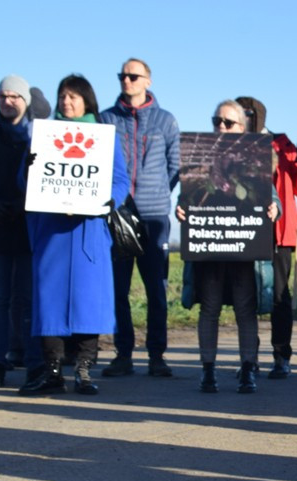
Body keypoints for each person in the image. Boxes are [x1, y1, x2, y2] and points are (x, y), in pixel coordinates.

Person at [19, 74, 129, 396]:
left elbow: (120, 180)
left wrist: (107, 199)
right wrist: (28, 167)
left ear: (86, 101)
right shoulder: (43, 135)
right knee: (49, 302)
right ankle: (52, 372)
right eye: (62, 96)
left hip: (88, 233)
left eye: (73, 97)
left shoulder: (105, 138)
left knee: (88, 302)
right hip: (52, 233)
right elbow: (23, 184)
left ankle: (83, 371)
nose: (66, 102)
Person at [175, 100, 279, 394]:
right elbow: (188, 196)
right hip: (209, 248)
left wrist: (275, 209)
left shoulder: (255, 155)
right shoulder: (199, 155)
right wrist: (181, 210)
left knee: (245, 310)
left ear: (243, 127)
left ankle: (248, 370)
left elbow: (271, 195)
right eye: (217, 121)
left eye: (229, 122)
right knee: (209, 309)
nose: (221, 126)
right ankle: (208, 371)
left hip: (244, 248)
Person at [100, 58, 180, 378]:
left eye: (134, 76)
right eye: (122, 76)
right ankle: (123, 354)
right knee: (118, 288)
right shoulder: (106, 118)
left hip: (154, 215)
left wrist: (158, 192)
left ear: (148, 81)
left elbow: (175, 166)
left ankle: (157, 355)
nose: (127, 80)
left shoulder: (166, 121)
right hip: (119, 216)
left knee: (155, 289)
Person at [235, 96, 297, 380]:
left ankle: (282, 356)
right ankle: (249, 357)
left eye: (246, 114)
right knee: (245, 296)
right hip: (241, 231)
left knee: (280, 297)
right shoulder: (228, 146)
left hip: (279, 232)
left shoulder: (282, 144)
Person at [0, 75, 43, 387]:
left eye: (14, 96)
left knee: (28, 299)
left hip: (29, 227)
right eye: (2, 96)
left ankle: (33, 362)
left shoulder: (40, 137)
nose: (8, 101)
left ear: (26, 100)